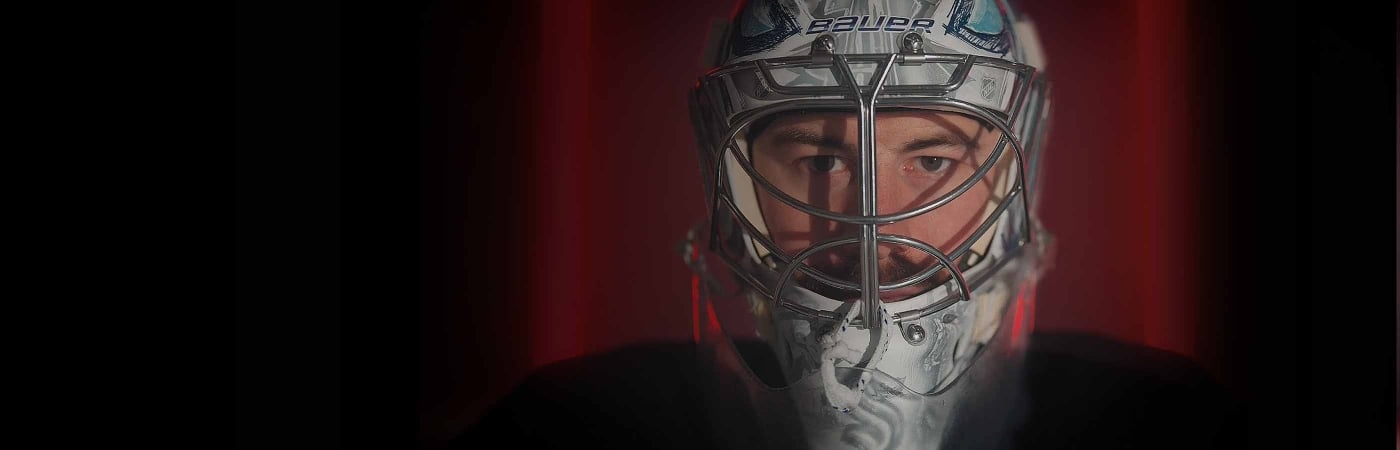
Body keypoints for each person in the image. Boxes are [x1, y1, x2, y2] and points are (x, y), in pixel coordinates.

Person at [455, 1, 1236, 448]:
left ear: (1013, 176)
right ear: (734, 184)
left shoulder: (1156, 426)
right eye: (818, 160)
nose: (874, 224)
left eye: (932, 161)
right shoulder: (574, 431)